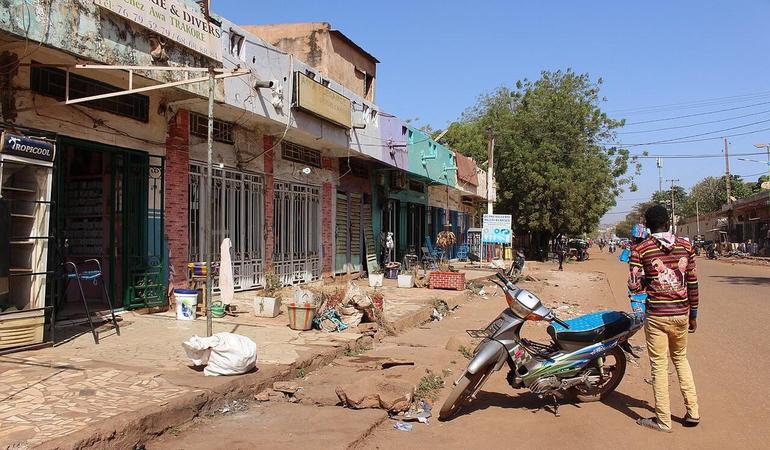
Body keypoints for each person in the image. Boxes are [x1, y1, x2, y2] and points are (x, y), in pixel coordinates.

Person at [628, 205, 700, 433]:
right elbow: (692, 282)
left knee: (659, 366)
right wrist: (694, 314)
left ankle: (663, 421)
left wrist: (645, 280)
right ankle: (693, 412)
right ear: (668, 222)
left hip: (658, 315)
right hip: (681, 313)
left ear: (647, 226)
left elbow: (635, 286)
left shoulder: (641, 249)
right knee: (681, 359)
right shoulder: (686, 246)